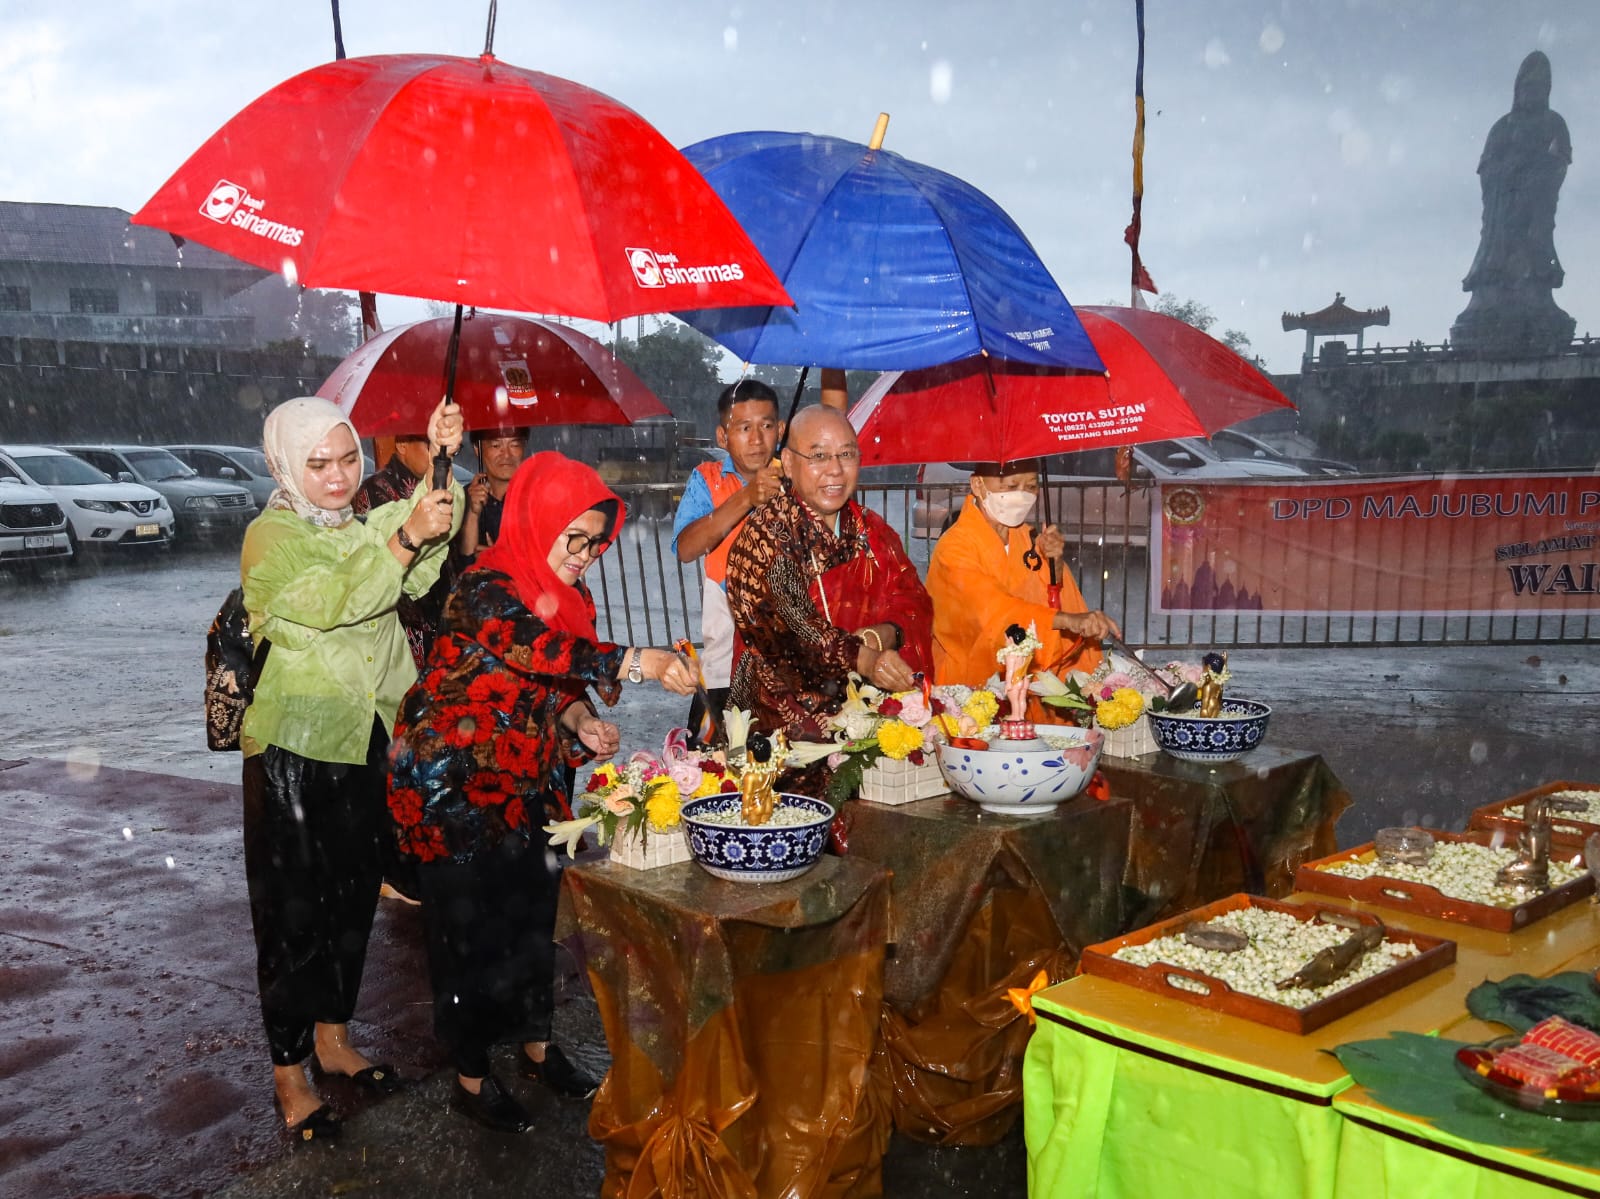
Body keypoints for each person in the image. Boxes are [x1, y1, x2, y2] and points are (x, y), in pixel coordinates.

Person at [387, 452, 695, 1135]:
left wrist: (584, 720)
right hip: (455, 780)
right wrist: (639, 661)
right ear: (535, 522)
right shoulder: (484, 587)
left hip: (530, 772)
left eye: (594, 541)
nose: (585, 554)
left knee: (533, 914)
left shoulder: (567, 593)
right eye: (573, 537)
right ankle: (469, 1077)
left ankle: (535, 1045)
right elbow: (535, 650)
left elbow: (554, 685)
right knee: (465, 931)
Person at [240, 395, 464, 1144]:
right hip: (295, 746)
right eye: (318, 464)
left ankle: (333, 1038)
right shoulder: (270, 536)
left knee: (349, 902)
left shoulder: (358, 523)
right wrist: (404, 536)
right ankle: (289, 1069)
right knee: (292, 912)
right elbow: (338, 597)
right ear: (284, 464)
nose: (337, 477)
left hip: (367, 736)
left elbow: (420, 567)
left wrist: (440, 467)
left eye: (346, 460)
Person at [725, 405, 933, 765]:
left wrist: (888, 632)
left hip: (870, 716)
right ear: (788, 463)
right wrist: (864, 657)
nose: (835, 469)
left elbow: (914, 598)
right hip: (785, 724)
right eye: (819, 456)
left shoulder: (871, 530)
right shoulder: (764, 539)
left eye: (847, 454)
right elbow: (790, 637)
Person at [926, 461, 1117, 688]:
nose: (1022, 495)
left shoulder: (1029, 537)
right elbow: (992, 612)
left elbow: (1052, 599)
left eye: (1031, 487)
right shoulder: (954, 547)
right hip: (972, 684)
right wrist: (1068, 621)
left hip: (1030, 681)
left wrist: (1053, 563)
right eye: (1011, 486)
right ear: (978, 485)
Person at [671, 380, 785, 738]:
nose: (756, 439)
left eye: (766, 426)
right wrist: (746, 498)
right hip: (726, 653)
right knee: (717, 760)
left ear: (780, 430)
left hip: (786, 652)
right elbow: (686, 548)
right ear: (723, 436)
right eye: (743, 428)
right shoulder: (707, 480)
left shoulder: (797, 478)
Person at [353, 431, 449, 668]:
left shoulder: (436, 485)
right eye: (429, 445)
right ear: (402, 445)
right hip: (403, 623)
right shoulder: (374, 490)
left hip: (441, 616)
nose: (438, 454)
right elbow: (380, 567)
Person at [454, 425, 529, 561]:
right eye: (495, 445)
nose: (506, 454)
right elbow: (464, 563)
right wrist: (473, 514)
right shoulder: (461, 498)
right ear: (478, 449)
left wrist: (504, 560)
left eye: (514, 444)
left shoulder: (537, 498)